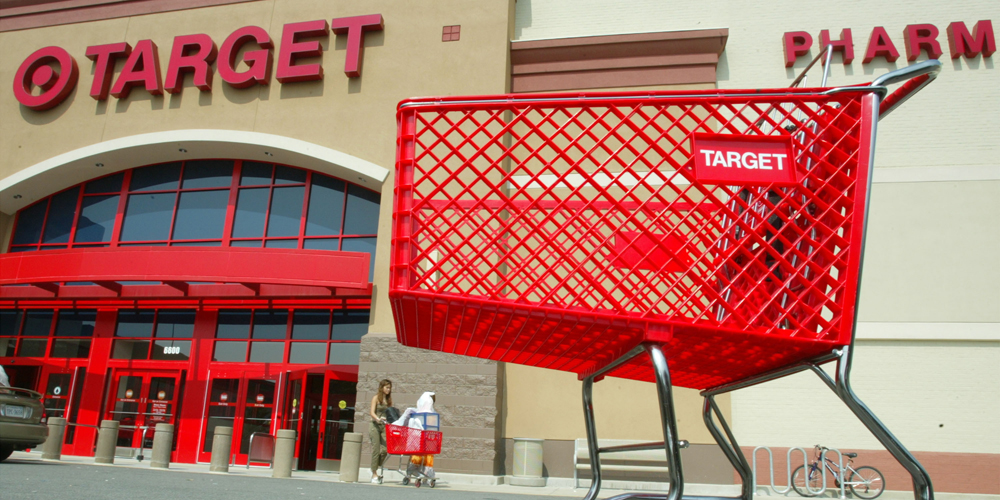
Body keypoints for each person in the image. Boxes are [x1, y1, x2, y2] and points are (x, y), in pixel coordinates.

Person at [368, 379, 392, 484]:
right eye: (387, 387)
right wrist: (378, 419)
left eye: (390, 388)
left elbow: (390, 413)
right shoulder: (376, 398)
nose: (388, 389)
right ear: (382, 387)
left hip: (384, 426)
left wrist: (389, 420)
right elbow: (371, 412)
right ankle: (374, 473)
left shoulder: (389, 400)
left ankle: (374, 467)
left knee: (386, 449)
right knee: (376, 450)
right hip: (374, 425)